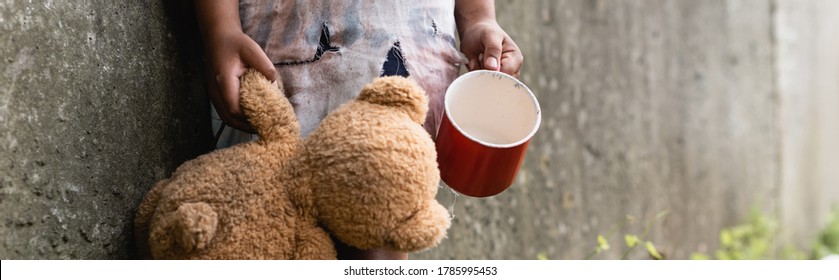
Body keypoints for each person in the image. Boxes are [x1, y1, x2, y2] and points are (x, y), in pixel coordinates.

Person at [194, 0, 523, 259]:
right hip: (290, 49)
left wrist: (479, 18)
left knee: (381, 207)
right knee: (269, 218)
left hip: (408, 48)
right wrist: (221, 29)